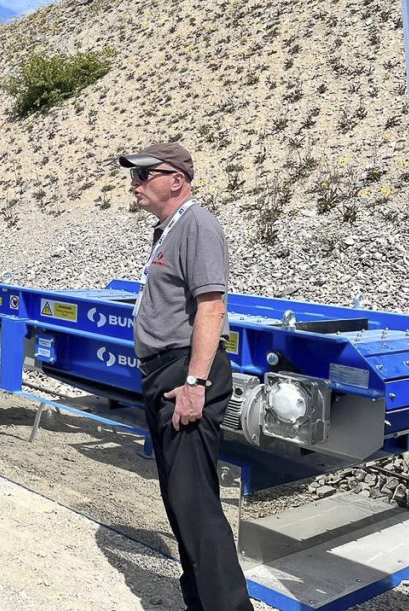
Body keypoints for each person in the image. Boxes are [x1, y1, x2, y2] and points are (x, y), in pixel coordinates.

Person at [119, 142, 252, 611]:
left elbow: (212, 307)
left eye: (143, 175)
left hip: (184, 374)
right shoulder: (168, 230)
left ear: (176, 179)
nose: (134, 185)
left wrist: (195, 384)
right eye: (133, 177)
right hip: (166, 374)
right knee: (182, 500)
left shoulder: (197, 224)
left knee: (195, 505)